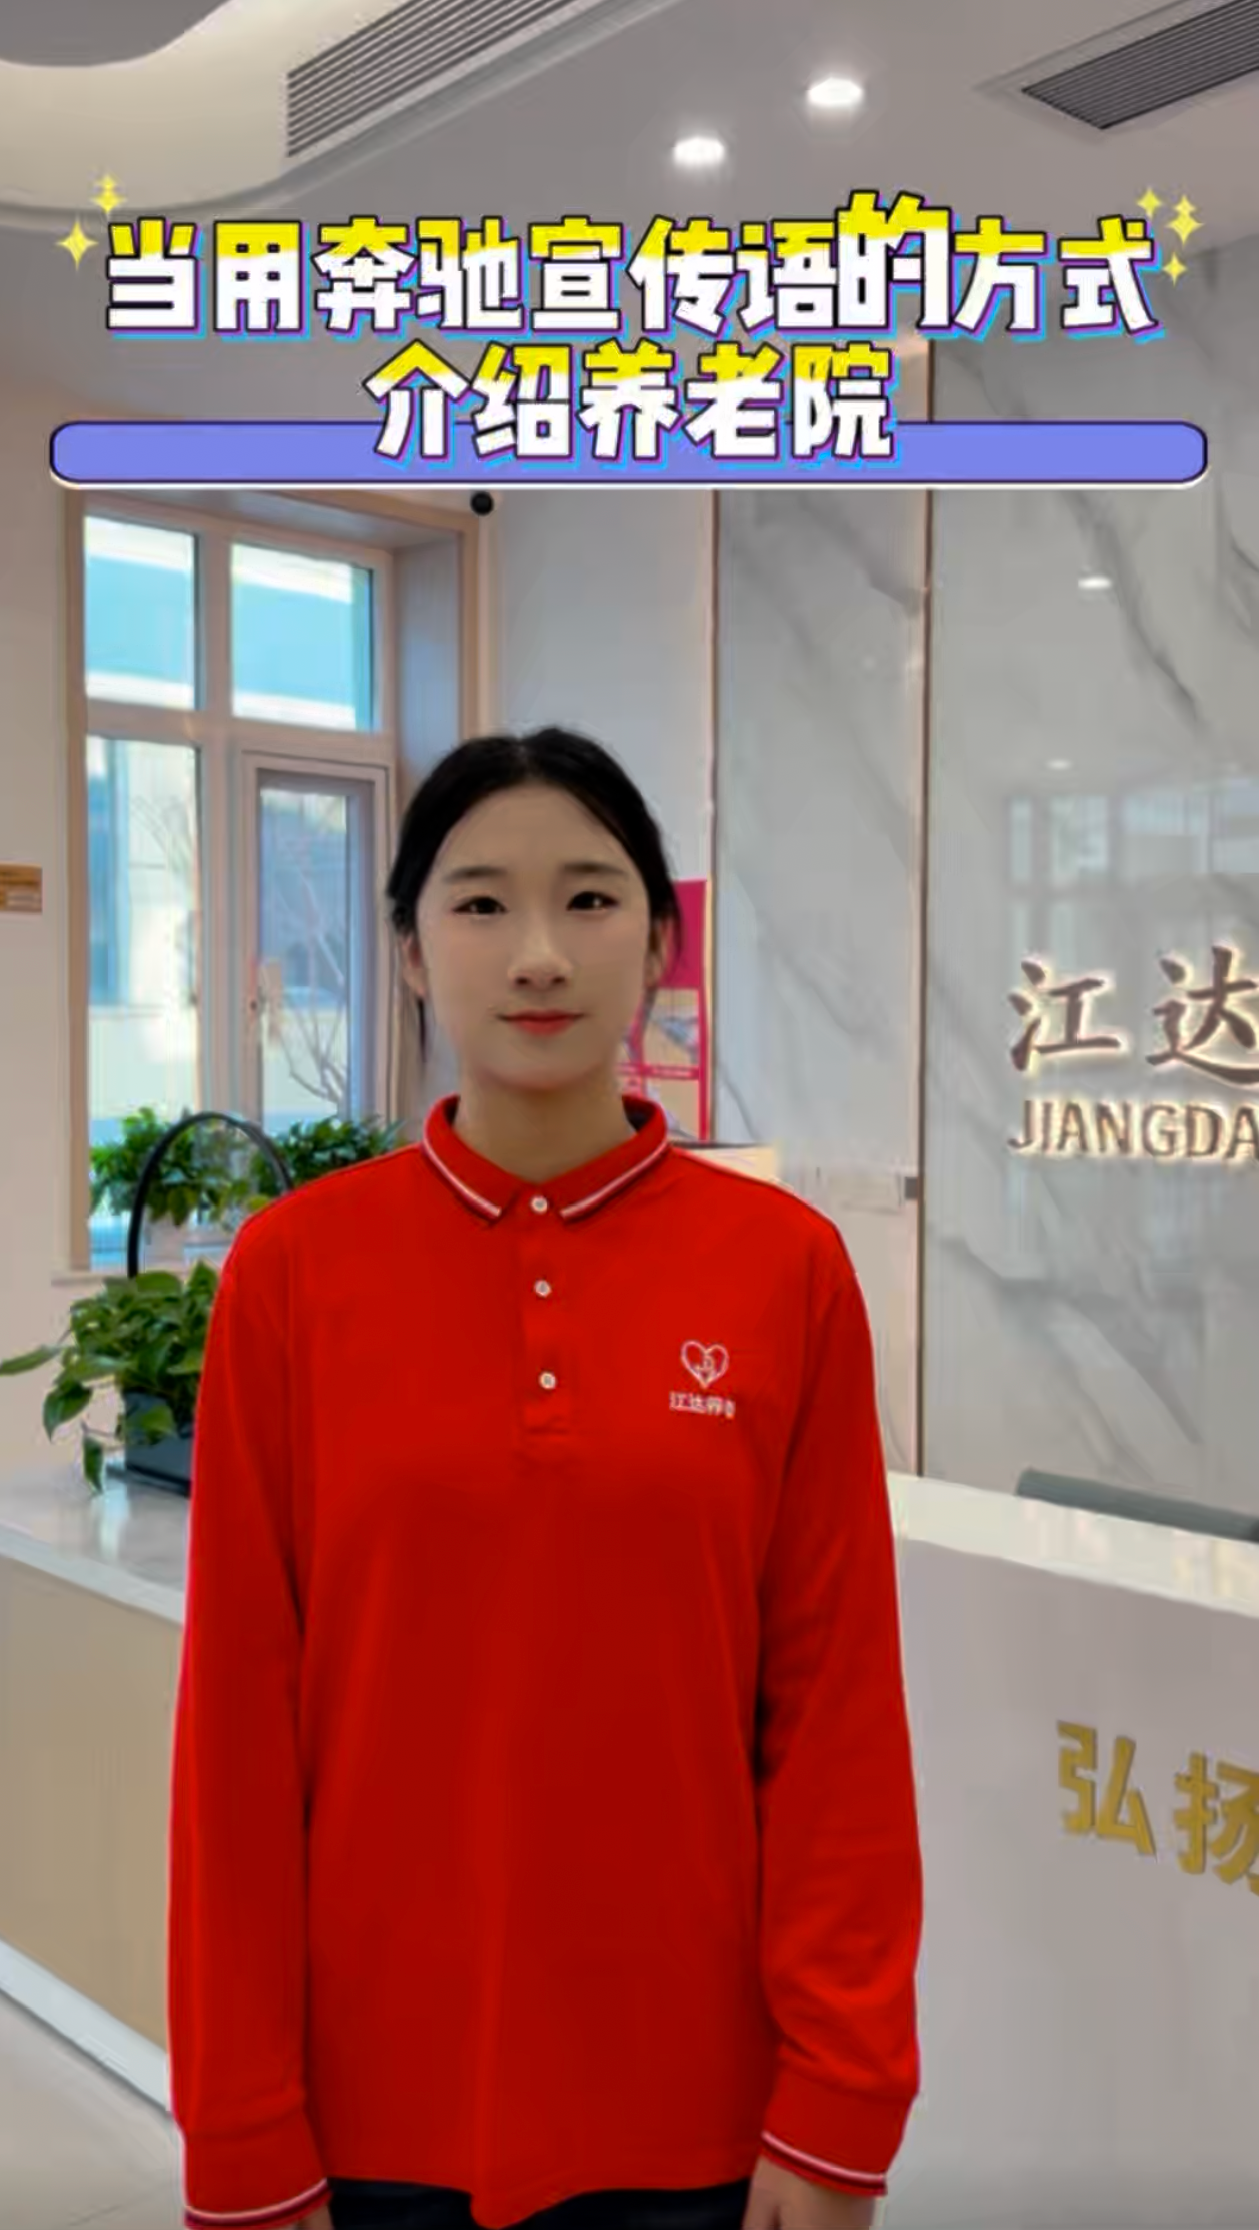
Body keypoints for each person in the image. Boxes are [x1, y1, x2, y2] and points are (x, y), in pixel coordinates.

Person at [167, 727, 923, 2230]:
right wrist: (242, 2127)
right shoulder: (294, 1272)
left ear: (658, 941)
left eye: (588, 898)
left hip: (701, 2118)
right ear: (406, 951)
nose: (538, 954)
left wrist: (841, 2100)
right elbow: (238, 1731)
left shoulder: (783, 1270)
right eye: (479, 903)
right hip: (368, 2117)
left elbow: (833, 1712)